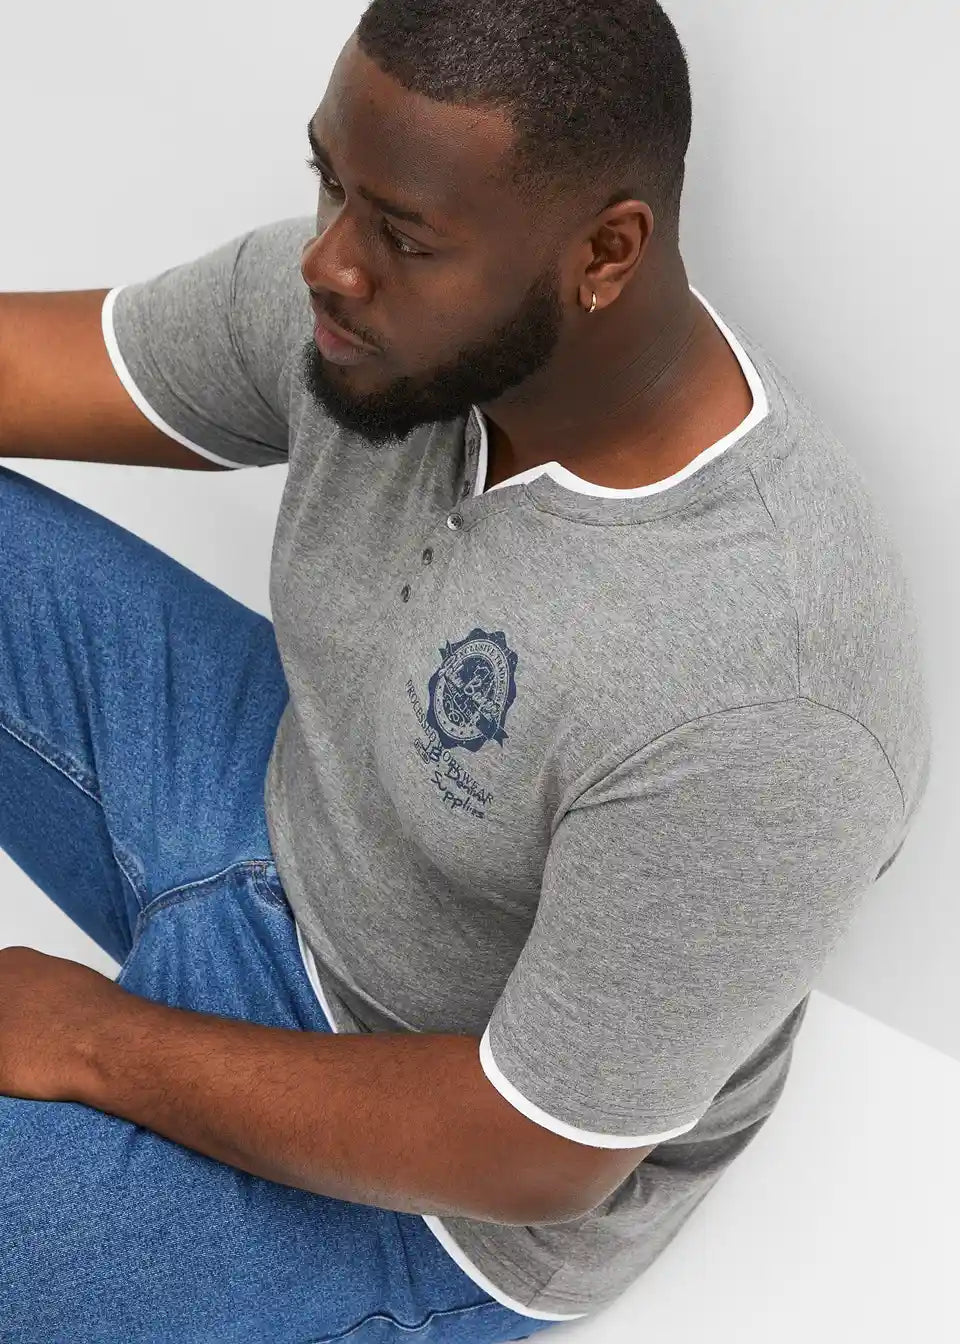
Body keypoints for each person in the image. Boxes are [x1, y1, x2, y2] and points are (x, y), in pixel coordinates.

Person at [0, 1, 932, 1340]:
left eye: (402, 234)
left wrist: (98, 1044)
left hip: (438, 1181)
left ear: (604, 253)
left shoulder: (769, 693)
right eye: (329, 181)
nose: (330, 261)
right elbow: (54, 364)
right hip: (275, 811)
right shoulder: (370, 313)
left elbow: (533, 1155)